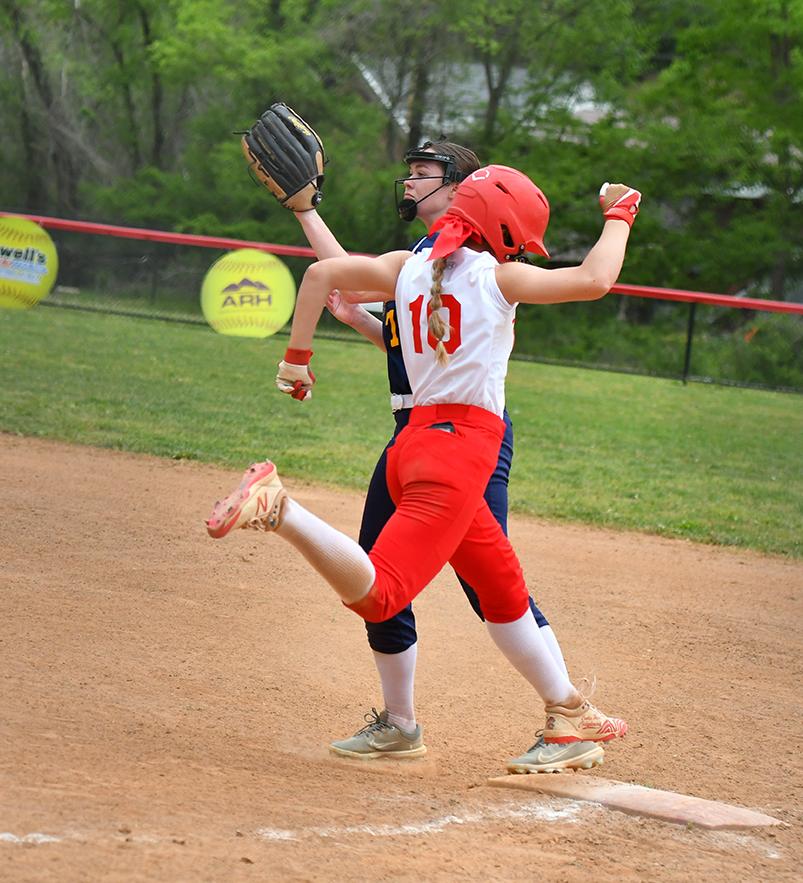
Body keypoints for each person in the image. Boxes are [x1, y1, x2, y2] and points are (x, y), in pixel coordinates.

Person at [206, 166, 641, 769]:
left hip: (410, 440)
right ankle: (281, 510)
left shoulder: (408, 268)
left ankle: (567, 713)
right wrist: (620, 214)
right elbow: (595, 279)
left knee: (499, 585)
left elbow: (321, 274)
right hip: (463, 448)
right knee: (383, 594)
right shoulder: (499, 275)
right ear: (505, 231)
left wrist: (296, 360)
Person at [288, 141, 591, 774]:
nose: (410, 181)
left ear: (462, 191)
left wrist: (308, 225)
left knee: (489, 586)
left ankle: (567, 717)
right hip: (414, 431)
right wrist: (307, 214)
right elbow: (387, 319)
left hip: (464, 439)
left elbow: (339, 271)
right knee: (379, 567)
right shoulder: (425, 261)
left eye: (426, 174)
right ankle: (400, 724)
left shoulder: (472, 264)